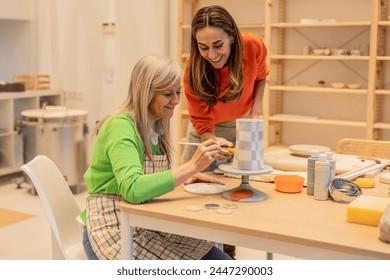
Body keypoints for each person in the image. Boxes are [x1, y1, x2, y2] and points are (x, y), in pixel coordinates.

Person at [81, 54, 232, 260]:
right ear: (146, 93)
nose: (176, 100)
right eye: (168, 94)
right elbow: (133, 189)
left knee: (221, 261)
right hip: (112, 224)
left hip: (144, 218)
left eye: (178, 92)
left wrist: (186, 176)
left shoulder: (156, 123)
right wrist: (192, 165)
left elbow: (146, 178)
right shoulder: (121, 126)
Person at [180, 5, 269, 258]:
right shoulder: (193, 71)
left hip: (241, 122)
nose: (211, 54)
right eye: (203, 47)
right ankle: (194, 248)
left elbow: (262, 76)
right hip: (204, 129)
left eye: (218, 44)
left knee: (233, 185)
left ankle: (227, 250)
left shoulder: (253, 46)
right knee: (192, 184)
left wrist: (255, 110)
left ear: (232, 36)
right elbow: (202, 123)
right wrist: (210, 139)